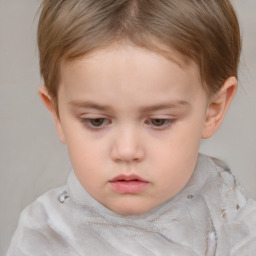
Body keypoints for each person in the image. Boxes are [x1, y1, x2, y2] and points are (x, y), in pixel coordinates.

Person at [7, 0, 256, 255]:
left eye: (159, 121)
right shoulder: (46, 237)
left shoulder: (233, 222)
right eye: (96, 121)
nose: (126, 151)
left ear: (212, 110)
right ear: (57, 113)